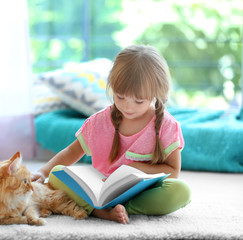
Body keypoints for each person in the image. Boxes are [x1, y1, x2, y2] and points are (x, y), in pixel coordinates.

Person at [32, 45, 191, 224]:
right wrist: (43, 172)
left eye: (138, 101)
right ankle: (101, 209)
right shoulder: (99, 122)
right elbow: (71, 152)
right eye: (120, 96)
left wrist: (140, 168)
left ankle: (121, 208)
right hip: (99, 190)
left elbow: (173, 172)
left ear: (156, 94)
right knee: (57, 174)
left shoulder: (166, 126)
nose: (127, 106)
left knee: (181, 191)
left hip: (142, 193)